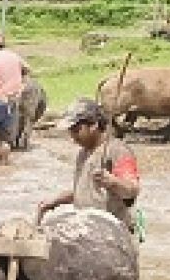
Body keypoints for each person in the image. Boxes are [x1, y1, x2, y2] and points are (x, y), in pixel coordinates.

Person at [37, 98, 141, 229]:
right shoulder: (83, 153)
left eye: (76, 130)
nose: (73, 136)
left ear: (94, 125)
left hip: (113, 232)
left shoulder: (118, 151)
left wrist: (113, 181)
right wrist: (55, 201)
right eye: (71, 131)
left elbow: (132, 190)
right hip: (87, 227)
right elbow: (85, 192)